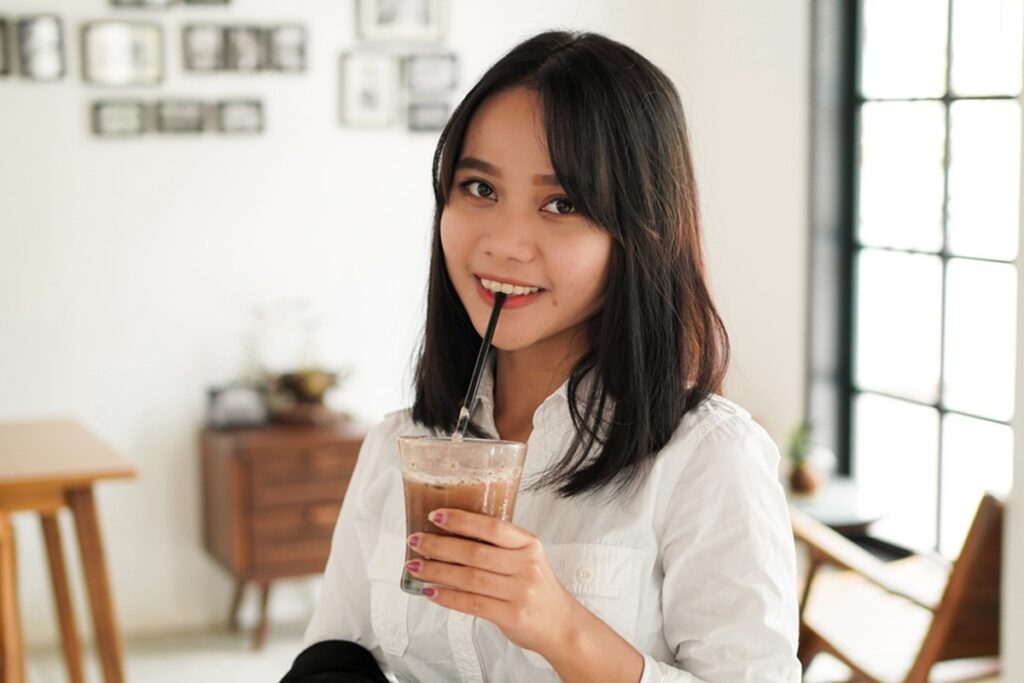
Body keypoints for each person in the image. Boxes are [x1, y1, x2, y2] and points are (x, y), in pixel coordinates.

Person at [281, 30, 801, 683]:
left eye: (562, 203)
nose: (504, 243)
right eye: (479, 188)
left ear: (642, 231)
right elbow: (338, 648)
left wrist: (564, 628)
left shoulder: (708, 459)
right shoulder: (400, 442)